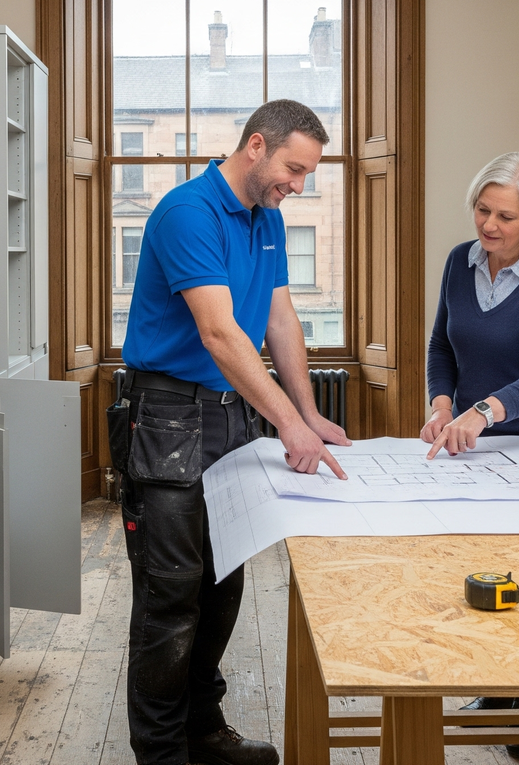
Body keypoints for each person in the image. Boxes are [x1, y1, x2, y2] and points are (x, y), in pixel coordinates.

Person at [111, 99, 351, 765]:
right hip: (166, 417)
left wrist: (306, 414)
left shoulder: (266, 218)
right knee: (171, 595)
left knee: (222, 584)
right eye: (293, 168)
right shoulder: (188, 212)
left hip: (227, 415)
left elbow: (280, 321)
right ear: (256, 146)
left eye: (306, 174)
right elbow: (220, 333)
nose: (297, 185)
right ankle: (161, 753)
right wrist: (285, 423)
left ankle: (203, 730)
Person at [421, 151, 519, 753]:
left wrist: (484, 411)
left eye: (505, 217)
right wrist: (442, 404)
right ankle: (497, 686)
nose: (489, 226)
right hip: (470, 440)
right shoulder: (458, 265)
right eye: (482, 210)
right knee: (480, 560)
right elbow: (442, 345)